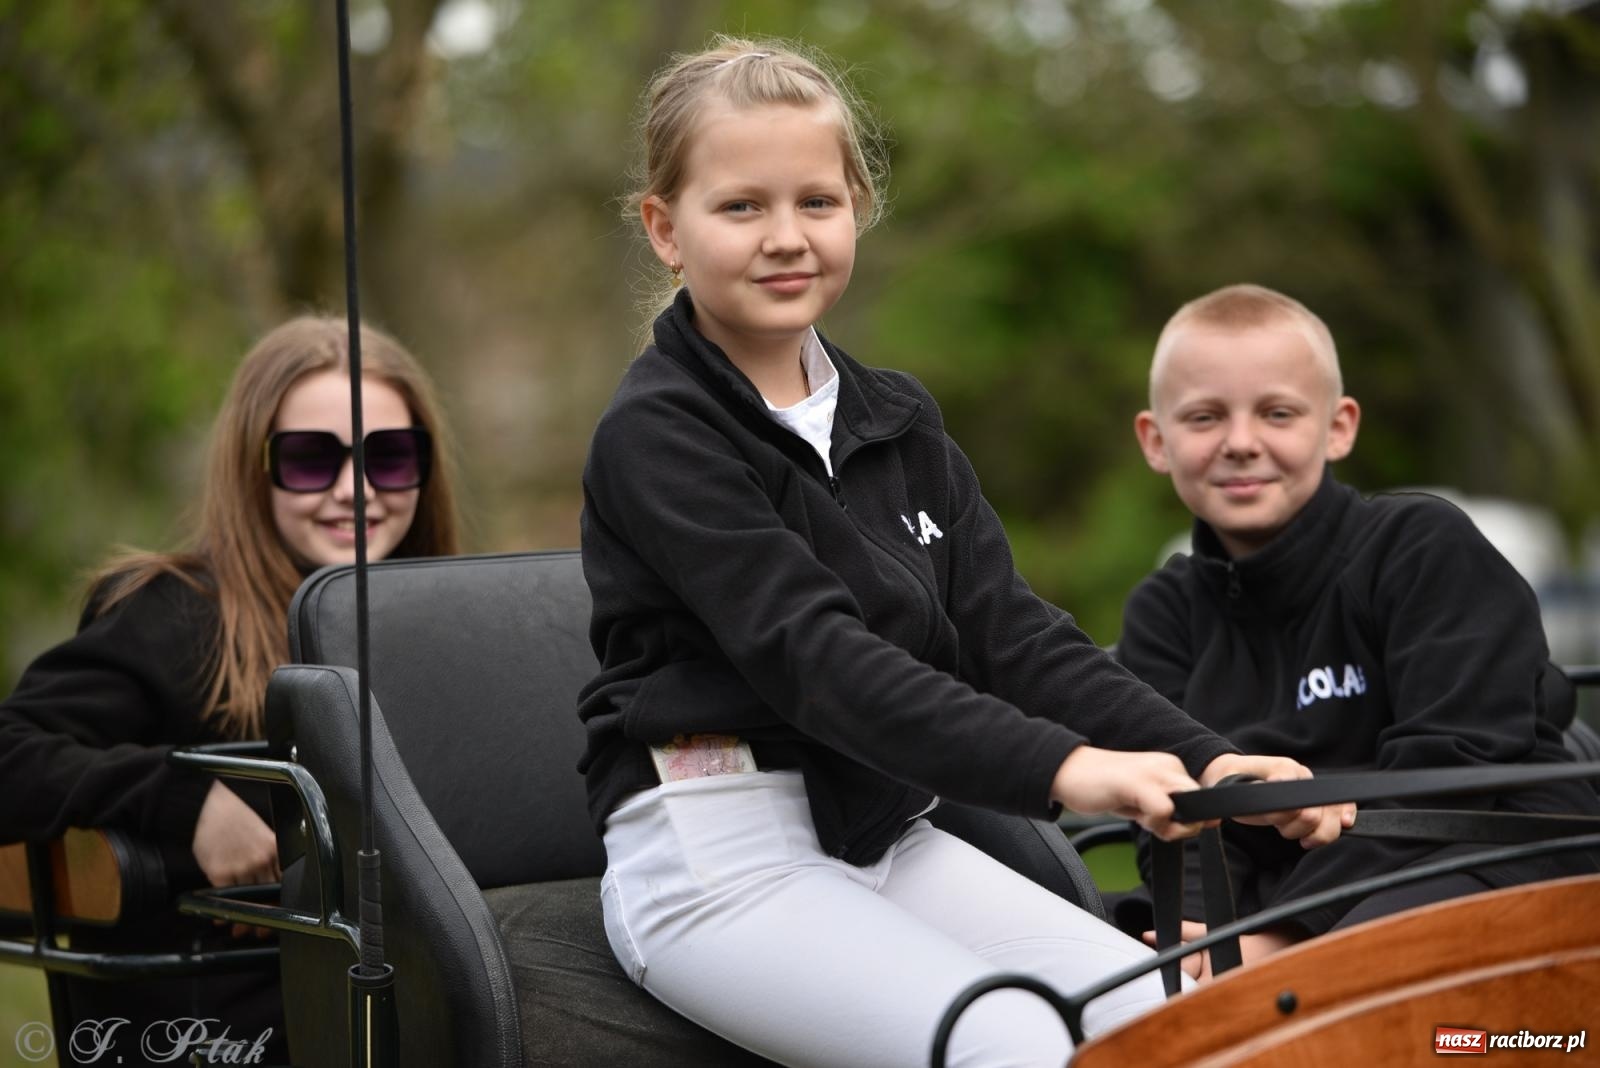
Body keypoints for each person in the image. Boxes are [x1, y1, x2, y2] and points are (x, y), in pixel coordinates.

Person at [576, 38, 1344, 1067]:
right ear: (665, 230)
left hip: (883, 831)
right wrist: (1069, 770)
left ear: (856, 210)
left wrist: (1209, 757)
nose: (785, 237)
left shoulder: (894, 417)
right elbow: (822, 664)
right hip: (717, 852)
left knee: (1173, 1029)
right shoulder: (658, 434)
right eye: (741, 207)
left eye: (816, 201)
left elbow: (1010, 633)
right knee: (1009, 1044)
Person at [0, 316, 461, 1065]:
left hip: (417, 1017)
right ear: (255, 470)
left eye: (391, 456)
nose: (357, 489)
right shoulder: (176, 616)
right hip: (223, 1031)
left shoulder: (448, 623)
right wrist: (187, 798)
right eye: (313, 460)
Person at [1121, 282, 1600, 978]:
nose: (1241, 443)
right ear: (1155, 441)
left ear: (1338, 426)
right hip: (1281, 904)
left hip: (1489, 854)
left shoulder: (1419, 546)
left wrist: (1279, 939)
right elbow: (1181, 819)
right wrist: (1199, 942)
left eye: (1278, 413)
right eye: (1203, 417)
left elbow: (1454, 773)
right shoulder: (1163, 613)